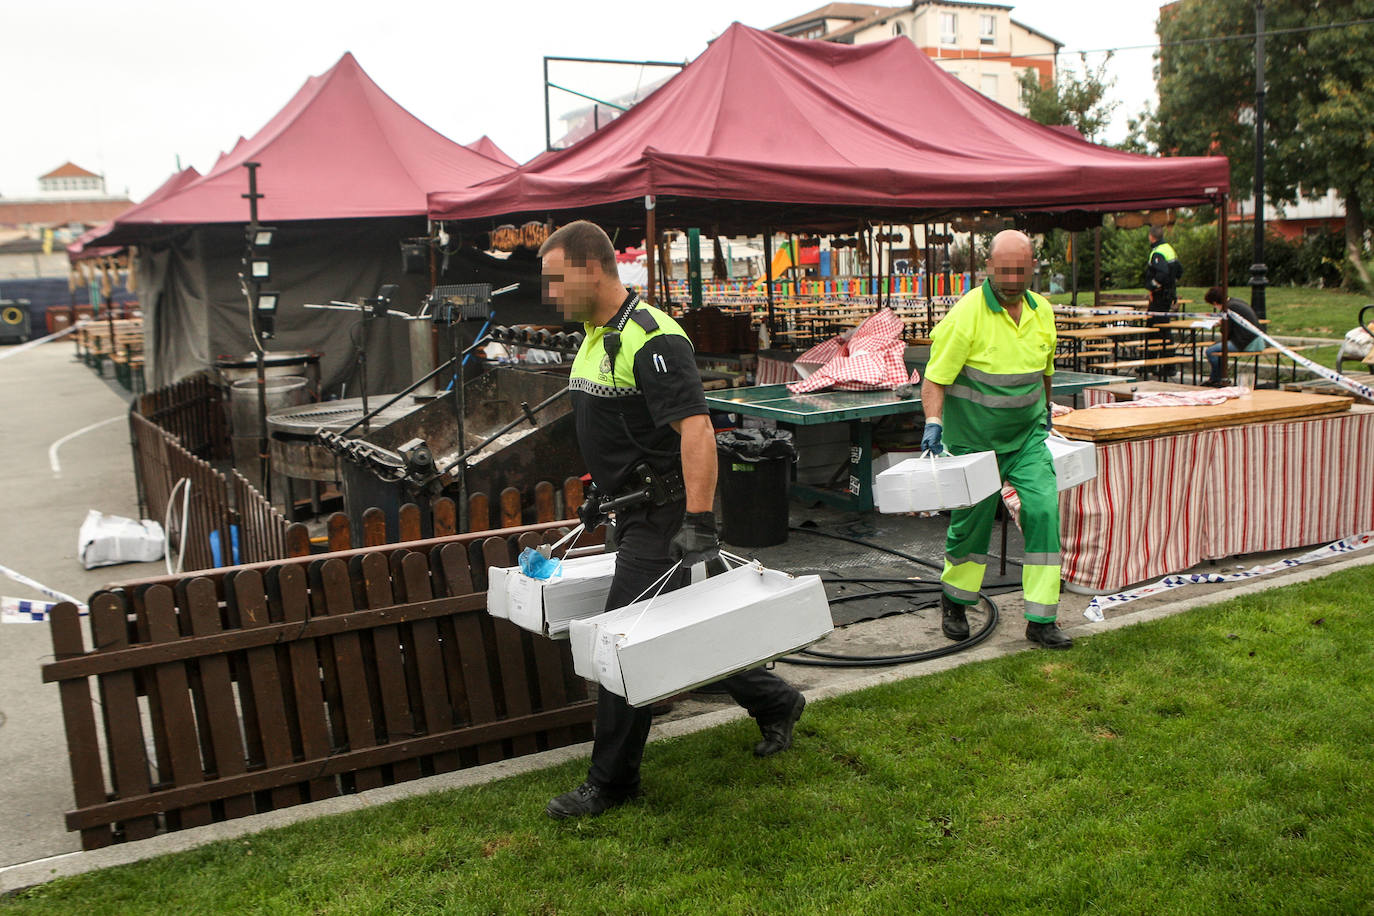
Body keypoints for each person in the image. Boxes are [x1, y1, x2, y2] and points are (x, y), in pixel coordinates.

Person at [539, 220, 806, 820]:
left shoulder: (653, 338)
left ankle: (611, 783)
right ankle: (775, 700)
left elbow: (698, 432)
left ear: (591, 268)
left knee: (621, 640)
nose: (550, 294)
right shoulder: (594, 336)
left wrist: (699, 521)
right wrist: (599, 491)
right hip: (632, 509)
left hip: (667, 515)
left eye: (557, 280)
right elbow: (621, 430)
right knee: (691, 626)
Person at [920, 230, 1072, 650]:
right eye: (1004, 271)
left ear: (1032, 268)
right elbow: (935, 379)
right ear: (988, 267)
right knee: (972, 525)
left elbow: (1045, 371)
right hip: (974, 442)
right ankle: (955, 601)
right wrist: (933, 421)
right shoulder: (967, 314)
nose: (1012, 279)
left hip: (1026, 440)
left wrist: (1045, 410)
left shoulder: (1042, 312)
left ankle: (1042, 619)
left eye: (1020, 271)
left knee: (1043, 512)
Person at [1202, 286, 1265, 386]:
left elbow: (1226, 331)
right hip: (1255, 339)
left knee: (1210, 351)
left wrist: (1221, 324)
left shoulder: (1228, 309)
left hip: (1246, 342)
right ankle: (1218, 378)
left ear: (1215, 303)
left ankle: (1216, 379)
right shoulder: (1236, 302)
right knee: (1217, 348)